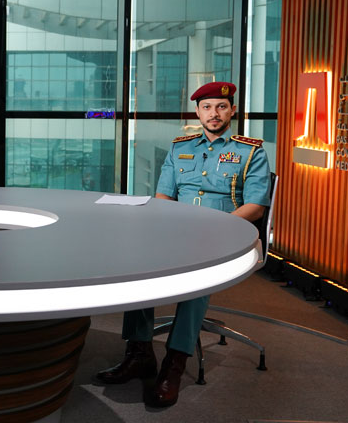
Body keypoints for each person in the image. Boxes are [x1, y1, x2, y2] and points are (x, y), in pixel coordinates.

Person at [95, 81, 271, 408]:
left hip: (227, 234)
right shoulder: (180, 148)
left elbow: (256, 206)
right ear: (198, 113)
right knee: (139, 268)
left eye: (221, 107)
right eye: (207, 107)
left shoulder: (251, 152)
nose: (214, 113)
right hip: (178, 231)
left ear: (232, 111)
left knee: (197, 277)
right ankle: (139, 353)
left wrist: (219, 227)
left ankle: (174, 363)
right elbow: (163, 196)